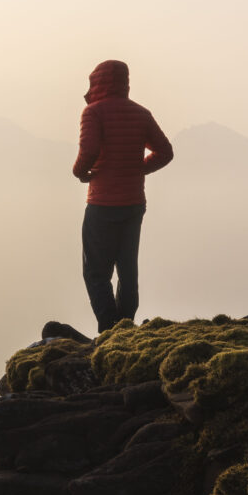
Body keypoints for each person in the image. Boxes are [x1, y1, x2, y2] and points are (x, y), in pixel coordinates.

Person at [73, 59, 174, 331]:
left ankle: (108, 328)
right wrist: (137, 169)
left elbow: (89, 150)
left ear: (97, 82)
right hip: (133, 204)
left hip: (102, 204)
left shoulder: (93, 112)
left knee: (96, 271)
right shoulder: (141, 113)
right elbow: (165, 152)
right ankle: (126, 324)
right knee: (127, 269)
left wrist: (80, 172)